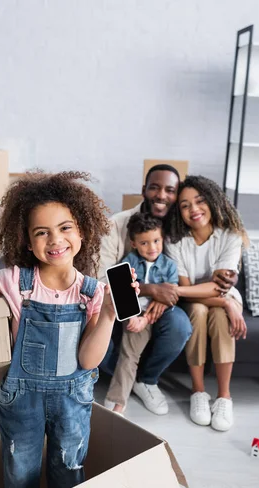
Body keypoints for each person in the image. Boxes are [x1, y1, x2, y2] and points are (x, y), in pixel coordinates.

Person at [0, 172, 137, 488]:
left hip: (73, 402)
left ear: (82, 231)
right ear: (27, 241)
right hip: (20, 401)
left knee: (68, 476)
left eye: (65, 227)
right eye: (42, 232)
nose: (55, 239)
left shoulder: (94, 293)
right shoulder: (14, 281)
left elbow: (87, 361)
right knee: (19, 478)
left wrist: (110, 315)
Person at [99, 164, 192, 414]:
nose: (161, 195)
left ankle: (146, 380)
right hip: (123, 302)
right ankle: (121, 387)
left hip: (159, 308)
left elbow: (176, 284)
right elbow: (103, 277)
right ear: (144, 190)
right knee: (103, 331)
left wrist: (159, 303)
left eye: (170, 190)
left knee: (180, 326)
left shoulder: (182, 228)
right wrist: (150, 289)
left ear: (177, 194)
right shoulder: (116, 225)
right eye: (155, 187)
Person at [167, 175, 249, 432]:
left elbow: (219, 287)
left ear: (212, 201)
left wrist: (225, 303)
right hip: (195, 303)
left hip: (220, 299)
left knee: (218, 313)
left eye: (200, 201)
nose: (194, 210)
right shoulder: (175, 240)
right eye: (185, 205)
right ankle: (198, 392)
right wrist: (224, 302)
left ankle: (224, 396)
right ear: (179, 212)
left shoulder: (230, 236)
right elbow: (191, 292)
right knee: (201, 311)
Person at [104, 212, 180, 415]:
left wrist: (147, 318)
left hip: (158, 313)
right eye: (144, 243)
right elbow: (121, 291)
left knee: (177, 327)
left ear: (162, 238)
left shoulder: (169, 266)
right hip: (134, 313)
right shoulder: (129, 261)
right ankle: (117, 402)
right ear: (134, 243)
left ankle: (145, 382)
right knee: (129, 353)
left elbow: (169, 296)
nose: (152, 247)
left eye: (156, 241)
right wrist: (133, 318)